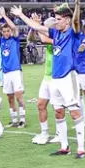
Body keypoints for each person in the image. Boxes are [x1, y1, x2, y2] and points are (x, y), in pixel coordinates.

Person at [11, 0, 85, 159]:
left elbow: (76, 20)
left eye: (59, 19)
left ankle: (81, 148)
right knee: (58, 111)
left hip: (69, 77)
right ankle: (64, 146)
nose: (56, 22)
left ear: (66, 20)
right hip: (55, 79)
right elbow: (37, 27)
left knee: (74, 112)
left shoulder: (72, 32)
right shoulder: (56, 34)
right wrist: (21, 14)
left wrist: (77, 5)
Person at [0, 7, 26, 128]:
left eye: (7, 31)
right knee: (10, 97)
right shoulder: (1, 41)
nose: (6, 33)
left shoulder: (14, 39)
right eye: (4, 31)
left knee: (19, 96)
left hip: (16, 71)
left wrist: (5, 16)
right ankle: (14, 120)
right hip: (6, 73)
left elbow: (14, 28)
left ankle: (23, 120)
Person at [28, 14, 57, 145]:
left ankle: (59, 134)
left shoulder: (58, 37)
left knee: (58, 107)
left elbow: (44, 39)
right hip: (47, 77)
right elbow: (30, 38)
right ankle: (44, 133)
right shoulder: (46, 35)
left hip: (57, 77)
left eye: (46, 28)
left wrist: (36, 25)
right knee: (40, 105)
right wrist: (34, 27)